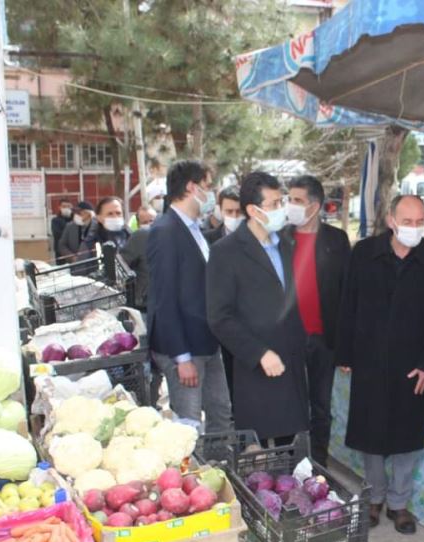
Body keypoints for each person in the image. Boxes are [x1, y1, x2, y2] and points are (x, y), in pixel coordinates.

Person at [335, 194, 424, 534]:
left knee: (406, 437)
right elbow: (348, 303)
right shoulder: (364, 254)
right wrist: (344, 353)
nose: (413, 229)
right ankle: (374, 498)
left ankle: (399, 504)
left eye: (420, 223)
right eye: (407, 222)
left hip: (412, 364)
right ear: (391, 220)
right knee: (371, 435)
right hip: (369, 359)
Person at [206, 171, 308, 444]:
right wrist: (260, 353)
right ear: (252, 210)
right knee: (261, 461)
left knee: (294, 453)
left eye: (281, 202)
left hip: (293, 362)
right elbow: (219, 317)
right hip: (256, 367)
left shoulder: (287, 243)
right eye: (273, 205)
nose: (280, 210)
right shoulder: (225, 252)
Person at [146, 160, 232, 434]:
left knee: (221, 411)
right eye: (208, 187)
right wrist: (181, 357)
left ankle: (220, 468)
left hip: (206, 341)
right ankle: (192, 474)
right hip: (183, 347)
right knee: (189, 424)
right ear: (191, 188)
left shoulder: (194, 229)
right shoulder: (166, 231)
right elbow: (164, 298)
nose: (211, 195)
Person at [283, 175, 350, 466]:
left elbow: (349, 293)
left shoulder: (336, 240)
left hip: (325, 338)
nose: (290, 206)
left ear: (315, 205)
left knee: (321, 407)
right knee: (290, 405)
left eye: (297, 200)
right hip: (288, 339)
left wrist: (348, 347)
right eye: (289, 199)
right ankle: (290, 463)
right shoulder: (280, 237)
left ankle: (319, 464)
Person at [120, 205, 158, 311]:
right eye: (145, 222)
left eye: (152, 221)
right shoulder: (139, 237)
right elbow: (123, 263)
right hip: (145, 301)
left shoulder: (162, 236)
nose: (149, 225)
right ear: (138, 224)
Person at [51, 200, 73, 264]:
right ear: (59, 207)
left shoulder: (75, 219)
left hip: (74, 250)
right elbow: (57, 234)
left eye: (68, 206)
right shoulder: (55, 220)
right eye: (64, 206)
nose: (66, 208)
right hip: (60, 252)